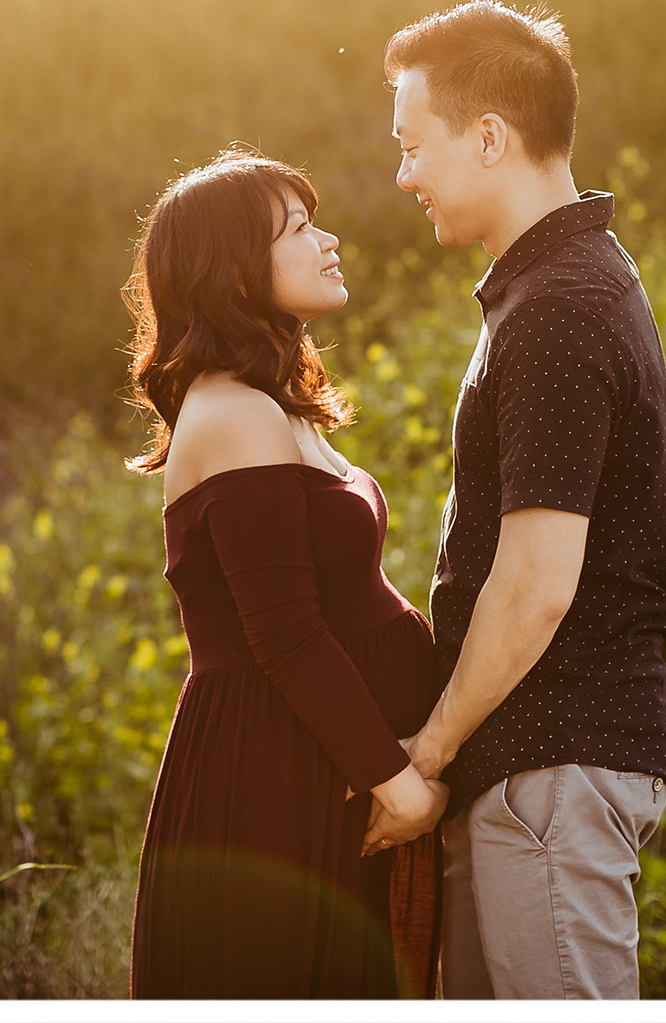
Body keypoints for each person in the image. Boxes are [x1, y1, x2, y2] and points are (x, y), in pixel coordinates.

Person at [383, 0, 666, 1000]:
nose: (404, 175)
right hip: (527, 772)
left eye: (412, 144)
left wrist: (429, 747)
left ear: (487, 136)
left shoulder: (558, 306)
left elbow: (536, 582)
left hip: (552, 770)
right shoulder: (554, 287)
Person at [126, 145, 449, 999]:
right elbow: (287, 634)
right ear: (231, 271)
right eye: (300, 228)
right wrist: (400, 785)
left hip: (328, 769)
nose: (330, 239)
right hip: (276, 779)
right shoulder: (231, 414)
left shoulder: (267, 406)